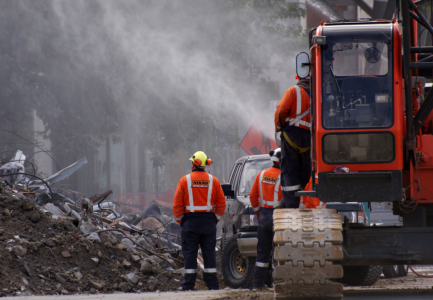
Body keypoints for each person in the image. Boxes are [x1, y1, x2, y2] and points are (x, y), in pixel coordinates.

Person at [173, 151, 226, 291]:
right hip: (209, 221)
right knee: (209, 254)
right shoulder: (214, 181)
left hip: (190, 221)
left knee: (190, 253)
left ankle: (188, 285)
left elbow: (177, 203)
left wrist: (180, 220)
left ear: (194, 164)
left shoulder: (185, 180)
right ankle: (213, 285)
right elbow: (221, 203)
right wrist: (216, 219)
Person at [274, 75, 311, 208]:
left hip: (291, 135)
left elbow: (281, 110)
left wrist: (279, 127)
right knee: (306, 170)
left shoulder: (293, 91)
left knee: (290, 170)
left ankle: (290, 203)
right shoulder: (320, 93)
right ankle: (299, 199)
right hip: (310, 138)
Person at [249, 148, 283, 289]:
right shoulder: (285, 176)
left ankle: (258, 284)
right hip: (279, 218)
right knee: (279, 252)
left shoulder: (261, 175)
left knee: (262, 253)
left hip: (263, 217)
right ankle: (277, 283)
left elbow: (252, 197)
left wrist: (258, 213)